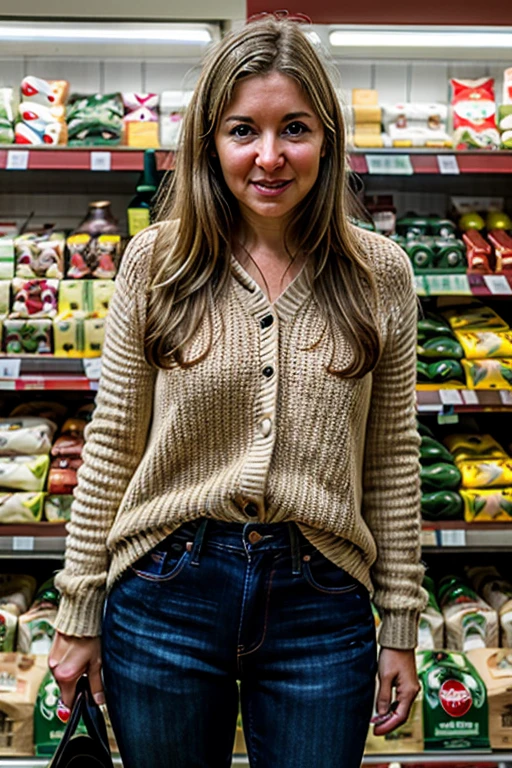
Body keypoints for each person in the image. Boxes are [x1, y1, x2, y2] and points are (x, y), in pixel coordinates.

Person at [49, 16, 426, 768]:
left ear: (327, 138)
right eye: (241, 130)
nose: (270, 156)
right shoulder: (157, 262)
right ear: (209, 143)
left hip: (322, 600)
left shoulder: (380, 274)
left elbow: (391, 459)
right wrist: (77, 609)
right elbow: (114, 441)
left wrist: (402, 626)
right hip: (165, 591)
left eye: (295, 129)